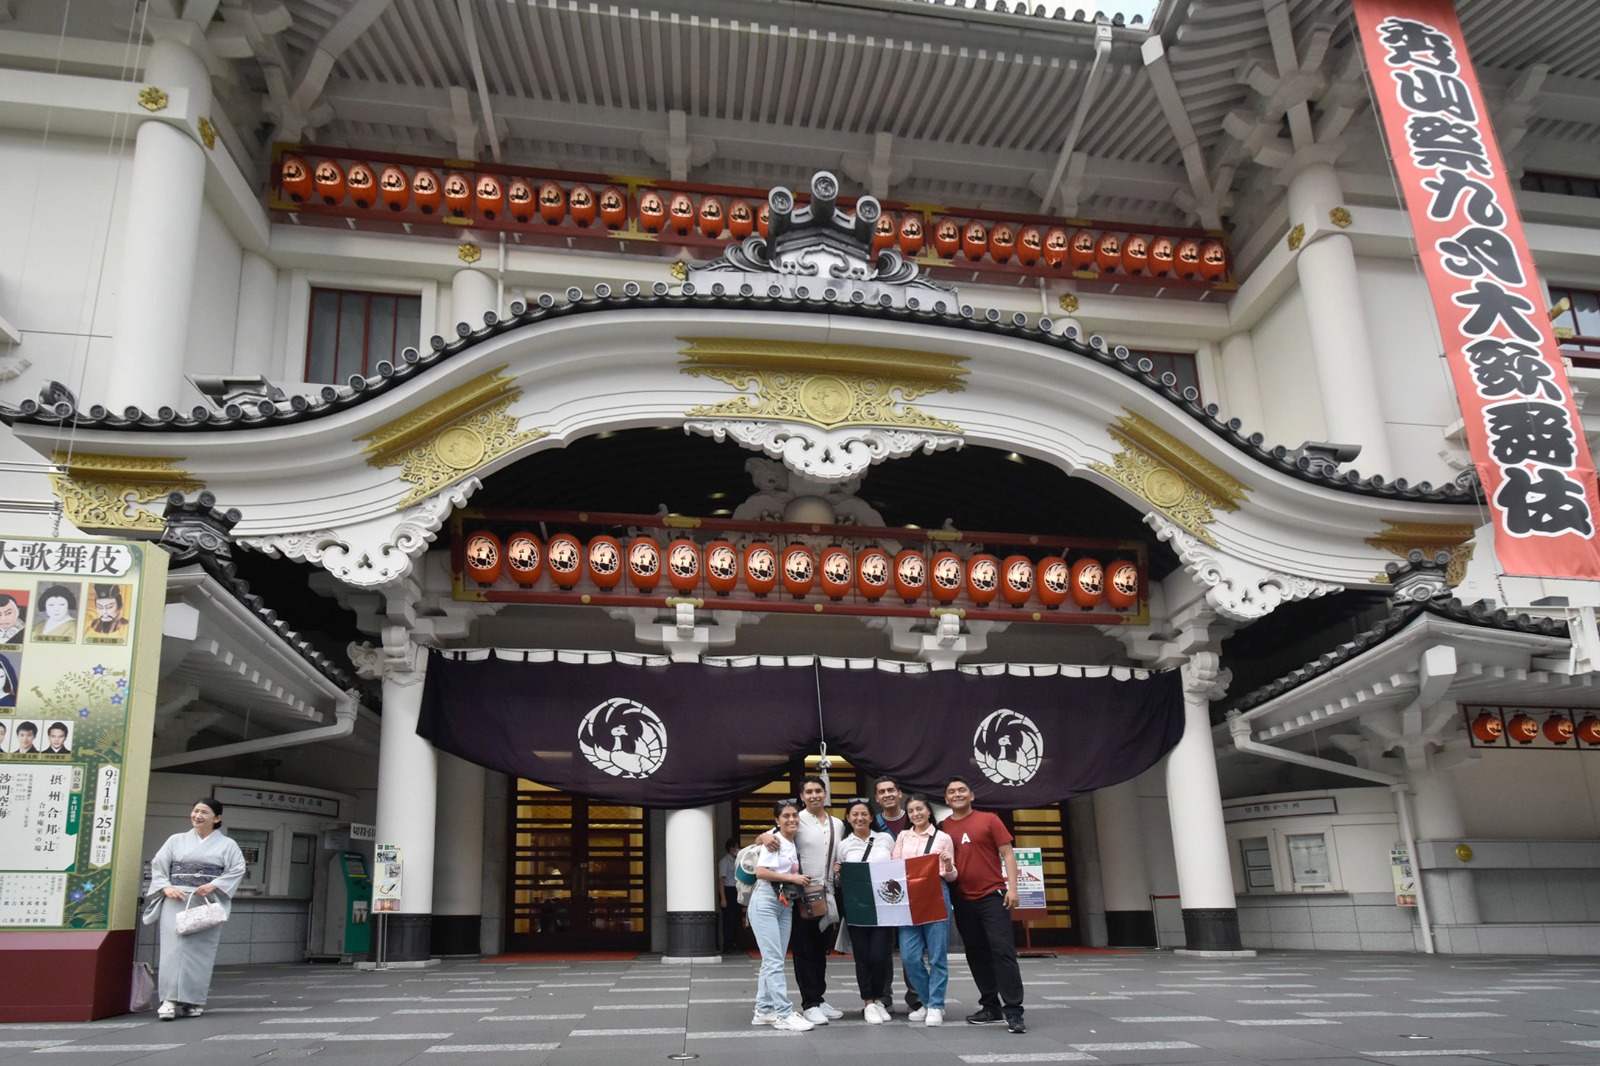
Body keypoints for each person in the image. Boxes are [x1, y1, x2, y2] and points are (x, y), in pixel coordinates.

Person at [144, 797, 247, 1021]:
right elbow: (158, 865)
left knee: (200, 953)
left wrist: (214, 884)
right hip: (177, 899)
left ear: (217, 818)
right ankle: (169, 1000)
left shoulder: (228, 845)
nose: (198, 816)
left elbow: (237, 869)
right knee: (173, 951)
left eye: (204, 813)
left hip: (205, 902)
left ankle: (192, 1001)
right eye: (196, 811)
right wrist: (165, 887)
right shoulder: (175, 840)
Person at [755, 775, 846, 1025]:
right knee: (804, 949)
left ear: (825, 793)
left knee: (820, 948)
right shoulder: (796, 818)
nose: (814, 795)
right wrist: (762, 836)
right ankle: (809, 1003)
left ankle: (819, 996)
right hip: (801, 892)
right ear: (802, 796)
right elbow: (769, 839)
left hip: (827, 892)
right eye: (809, 792)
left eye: (818, 790)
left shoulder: (838, 824)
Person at [944, 775, 1026, 1034]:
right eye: (951, 792)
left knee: (1002, 951)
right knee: (976, 953)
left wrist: (1013, 888)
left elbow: (1008, 854)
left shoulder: (989, 819)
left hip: (993, 896)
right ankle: (990, 1006)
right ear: (946, 799)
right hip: (963, 899)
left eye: (961, 790)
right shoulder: (943, 827)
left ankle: (1014, 1011)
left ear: (971, 795)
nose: (956, 794)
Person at [748, 798, 815, 1033]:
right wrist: (792, 878)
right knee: (775, 960)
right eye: (785, 816)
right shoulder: (774, 840)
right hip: (766, 901)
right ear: (777, 820)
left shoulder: (790, 842)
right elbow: (761, 872)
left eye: (794, 815)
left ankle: (763, 1010)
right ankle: (784, 1014)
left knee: (773, 960)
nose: (791, 819)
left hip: (784, 904)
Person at [891, 793, 958, 1026]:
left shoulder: (943, 837)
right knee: (910, 957)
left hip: (936, 894)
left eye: (919, 809)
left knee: (938, 955)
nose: (916, 814)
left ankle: (936, 1006)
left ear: (929, 811)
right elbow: (894, 866)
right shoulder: (902, 837)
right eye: (911, 811)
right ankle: (929, 1001)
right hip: (908, 897)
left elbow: (951, 875)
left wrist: (949, 865)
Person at [834, 798, 896, 1022]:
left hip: (884, 906)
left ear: (871, 817)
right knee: (863, 956)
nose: (859, 818)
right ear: (848, 819)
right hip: (857, 908)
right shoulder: (844, 845)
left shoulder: (885, 840)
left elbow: (896, 868)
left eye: (864, 814)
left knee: (880, 955)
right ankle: (868, 1002)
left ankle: (879, 998)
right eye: (854, 815)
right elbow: (840, 882)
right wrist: (838, 873)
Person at [870, 776, 918, 1015]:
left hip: (914, 892)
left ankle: (917, 996)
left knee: (913, 947)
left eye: (891, 790)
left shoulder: (915, 817)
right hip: (884, 894)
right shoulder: (873, 823)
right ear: (877, 798)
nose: (887, 794)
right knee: (882, 947)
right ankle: (883, 996)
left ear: (899, 793)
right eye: (882, 792)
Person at [717, 837, 743, 952]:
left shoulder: (738, 860)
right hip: (728, 891)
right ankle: (728, 945)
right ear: (731, 848)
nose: (738, 849)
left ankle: (737, 943)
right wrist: (723, 898)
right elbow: (721, 879)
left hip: (737, 890)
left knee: (737, 918)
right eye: (736, 847)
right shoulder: (724, 861)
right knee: (729, 920)